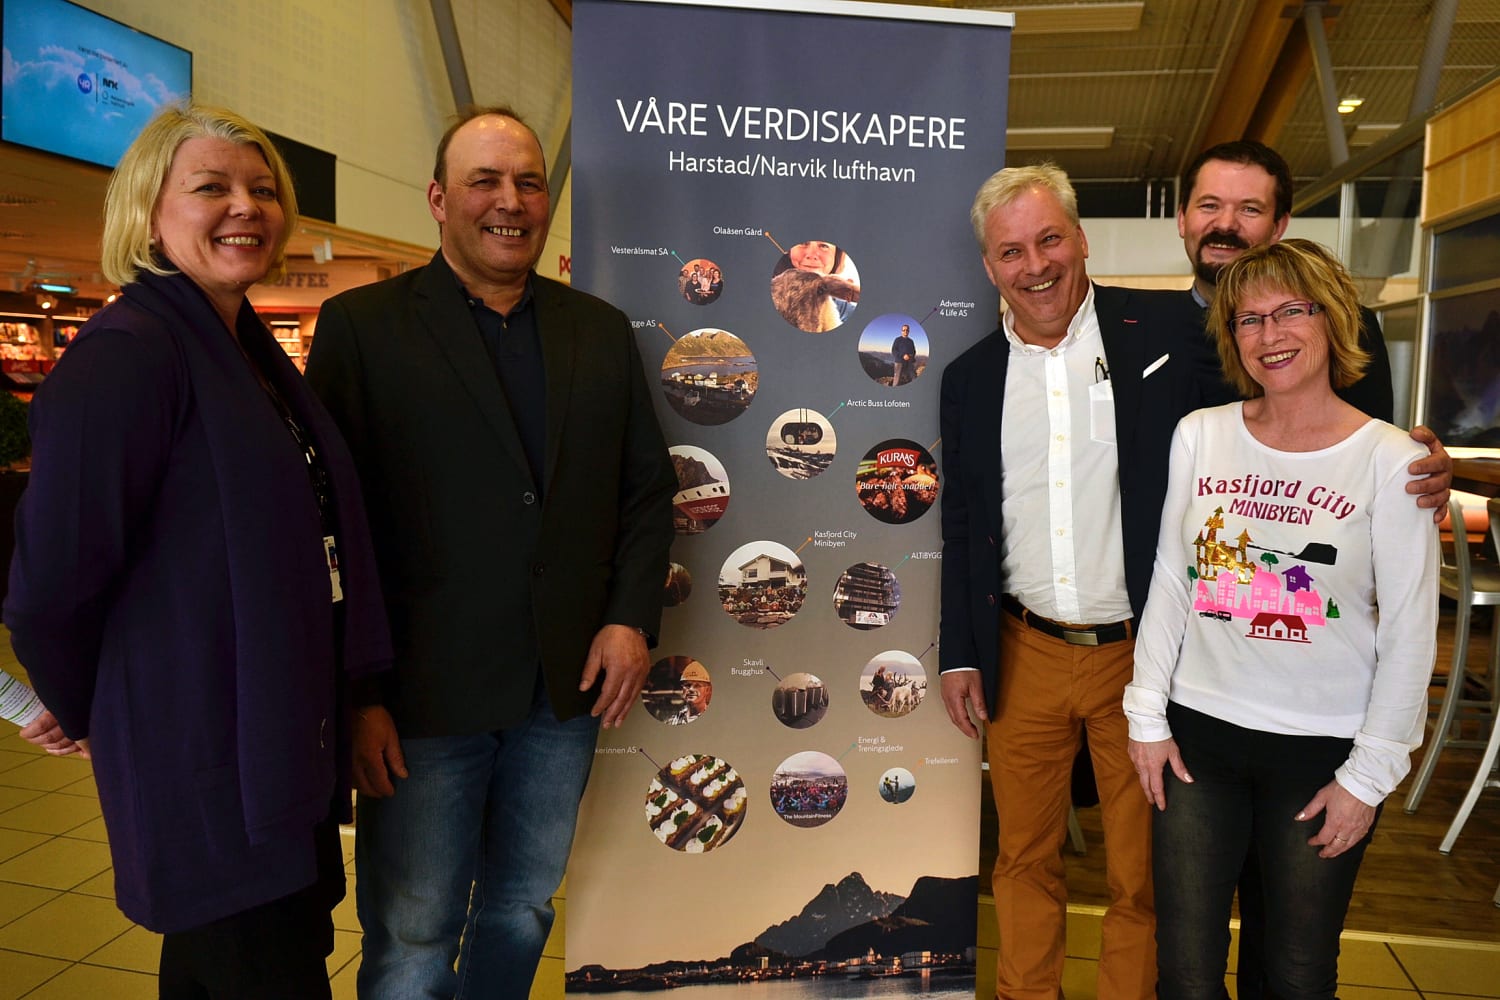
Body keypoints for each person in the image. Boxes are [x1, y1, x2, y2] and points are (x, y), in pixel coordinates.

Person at [937, 164, 1449, 1000]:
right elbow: (963, 522)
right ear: (989, 266)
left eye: (1050, 239)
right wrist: (960, 650)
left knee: (1144, 879)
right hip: (1023, 649)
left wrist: (1409, 457)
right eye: (1011, 251)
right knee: (1021, 859)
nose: (1035, 265)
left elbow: (1300, 392)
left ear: (1081, 240)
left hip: (1142, 653)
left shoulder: (1172, 328)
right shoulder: (968, 378)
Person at [3, 104, 391, 998]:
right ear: (148, 215)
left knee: (251, 960)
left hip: (274, 729)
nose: (245, 207)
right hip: (205, 744)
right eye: (211, 187)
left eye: (263, 190)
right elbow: (52, 582)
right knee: (247, 960)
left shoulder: (243, 351)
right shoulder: (129, 354)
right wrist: (87, 706)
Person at [303, 105, 676, 1000]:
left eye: (528, 182)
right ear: (439, 199)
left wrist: (629, 618)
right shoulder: (362, 328)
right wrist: (357, 696)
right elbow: (329, 526)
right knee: (413, 930)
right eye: (485, 181)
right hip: (420, 702)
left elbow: (646, 489)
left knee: (521, 909)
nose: (510, 201)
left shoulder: (599, 330)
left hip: (561, 694)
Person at [1124, 239, 1438, 1000]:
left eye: (1291, 311)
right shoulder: (1201, 433)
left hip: (1322, 752)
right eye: (1249, 319)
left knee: (1296, 976)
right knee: (1185, 973)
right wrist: (1146, 716)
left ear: (1332, 320)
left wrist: (1368, 777)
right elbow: (1172, 578)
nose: (1270, 334)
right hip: (1198, 739)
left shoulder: (1392, 460)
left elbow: (1409, 633)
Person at [770, 239, 860, 332]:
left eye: (824, 246)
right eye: (803, 243)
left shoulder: (845, 312)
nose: (812, 255)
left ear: (836, 256)